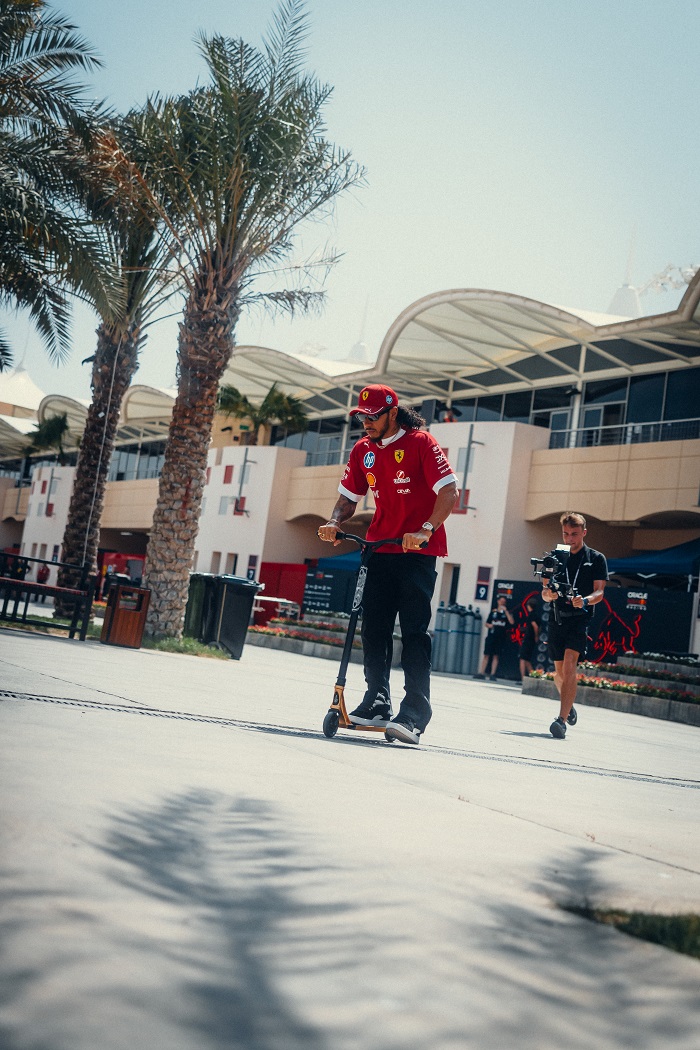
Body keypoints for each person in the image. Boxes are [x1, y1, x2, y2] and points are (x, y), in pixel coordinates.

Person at [317, 384, 458, 746]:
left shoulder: (421, 442)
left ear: (393, 413)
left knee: (413, 632)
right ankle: (378, 700)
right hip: (379, 549)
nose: (366, 422)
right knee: (374, 629)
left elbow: (449, 491)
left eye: (373, 416)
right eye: (361, 417)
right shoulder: (362, 450)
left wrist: (425, 529)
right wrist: (334, 522)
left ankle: (415, 711)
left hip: (417, 552)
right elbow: (348, 498)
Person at [541, 511, 608, 738]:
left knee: (570, 665)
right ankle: (568, 705)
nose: (569, 538)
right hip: (557, 617)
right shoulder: (554, 556)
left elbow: (599, 592)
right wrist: (549, 595)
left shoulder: (596, 558)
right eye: (566, 534)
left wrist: (585, 600)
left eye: (574, 534)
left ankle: (560, 721)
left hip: (580, 618)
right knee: (558, 674)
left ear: (584, 533)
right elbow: (544, 591)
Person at [473, 595, 514, 680]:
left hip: (500, 637)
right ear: (498, 602)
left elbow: (511, 622)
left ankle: (492, 674)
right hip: (491, 636)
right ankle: (482, 672)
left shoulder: (507, 613)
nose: (502, 603)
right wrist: (490, 625)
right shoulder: (493, 613)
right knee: (486, 654)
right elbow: (486, 623)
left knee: (496, 655)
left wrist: (506, 611)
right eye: (501, 601)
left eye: (504, 602)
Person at [518, 599, 539, 679]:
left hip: (529, 639)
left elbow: (535, 626)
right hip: (531, 640)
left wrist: (536, 636)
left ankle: (523, 678)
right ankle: (533, 677)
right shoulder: (537, 615)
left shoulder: (531, 615)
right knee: (527, 660)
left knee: (522, 659)